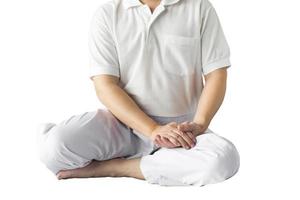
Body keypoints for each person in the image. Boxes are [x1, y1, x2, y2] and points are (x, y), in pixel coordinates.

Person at [37, 0, 240, 186]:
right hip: (122, 125)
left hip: (182, 131)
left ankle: (116, 167)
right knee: (53, 150)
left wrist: (200, 124)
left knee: (223, 161)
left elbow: (216, 75)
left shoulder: (199, 7)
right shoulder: (108, 13)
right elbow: (105, 85)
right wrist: (152, 129)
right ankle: (163, 163)